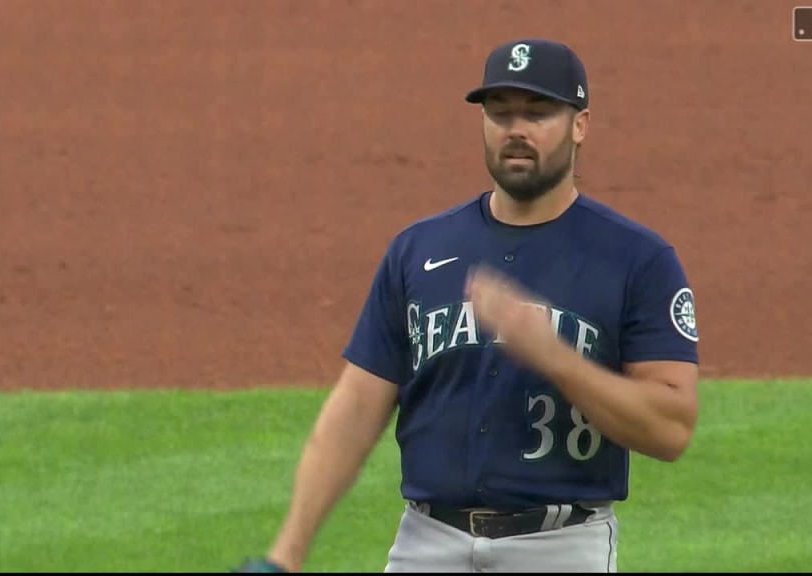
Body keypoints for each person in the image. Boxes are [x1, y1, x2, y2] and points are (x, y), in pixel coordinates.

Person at [233, 37, 700, 573]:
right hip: (426, 543)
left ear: (580, 125)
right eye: (499, 114)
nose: (515, 130)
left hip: (559, 549)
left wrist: (554, 357)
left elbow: (671, 430)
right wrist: (286, 554)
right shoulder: (419, 249)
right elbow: (358, 407)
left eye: (538, 112)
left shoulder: (637, 260)